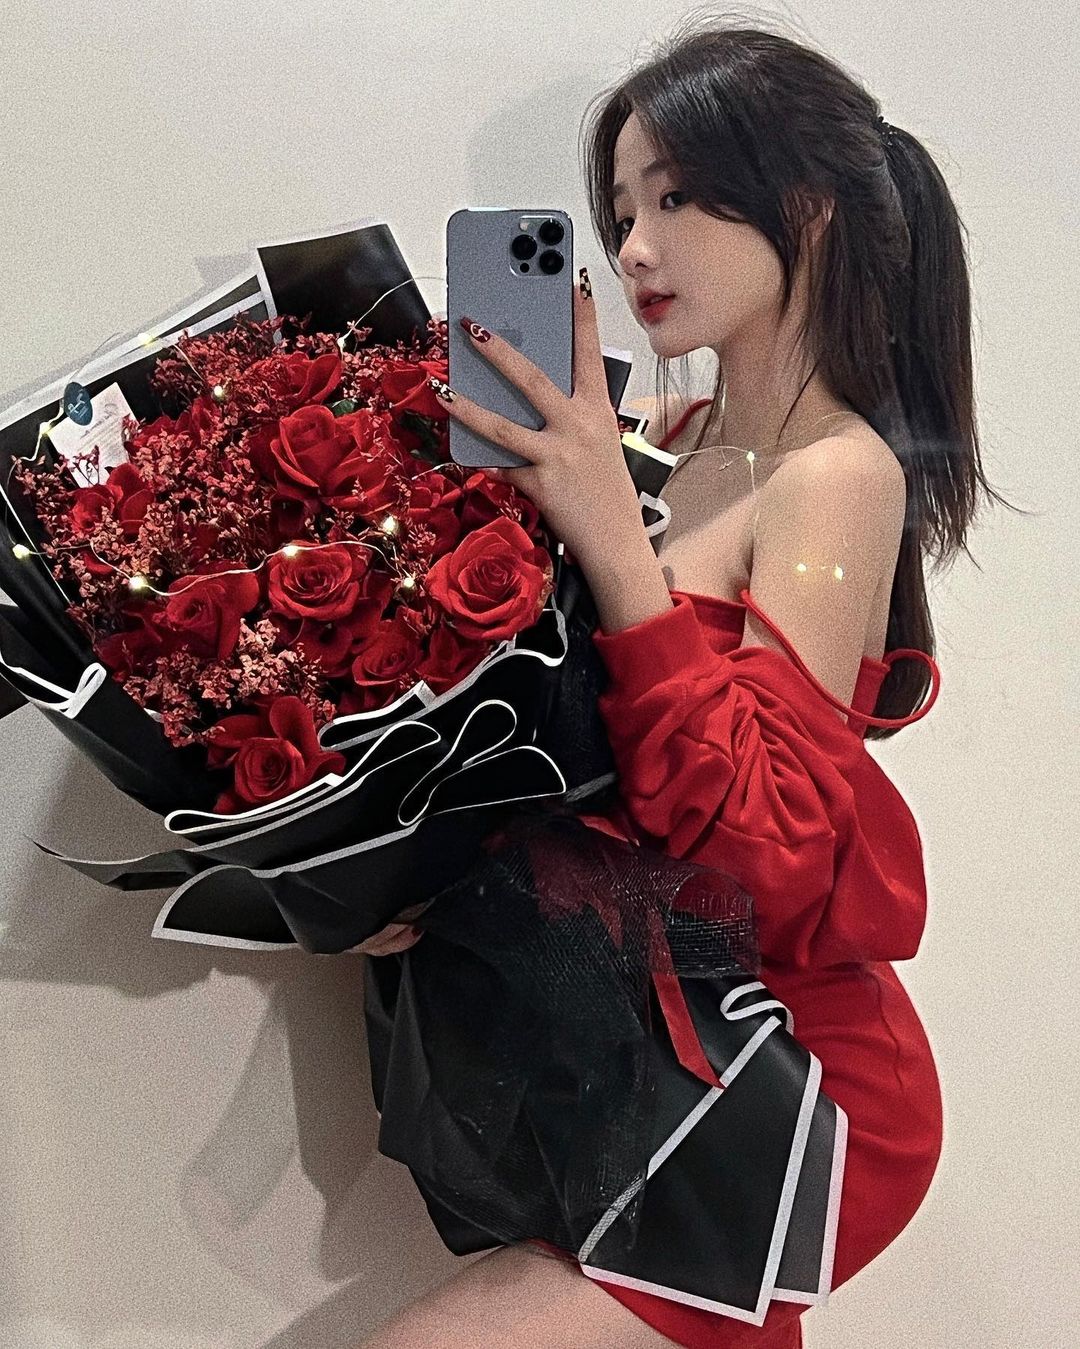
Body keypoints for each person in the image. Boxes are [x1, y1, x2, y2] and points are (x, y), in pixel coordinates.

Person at [355, 15, 1016, 1347]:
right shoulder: (663, 436)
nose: (634, 249)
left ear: (807, 206)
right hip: (626, 1057)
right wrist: (408, 876)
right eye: (619, 213)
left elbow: (768, 844)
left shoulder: (839, 474)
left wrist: (611, 538)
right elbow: (558, 744)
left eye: (674, 198)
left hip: (784, 1071)